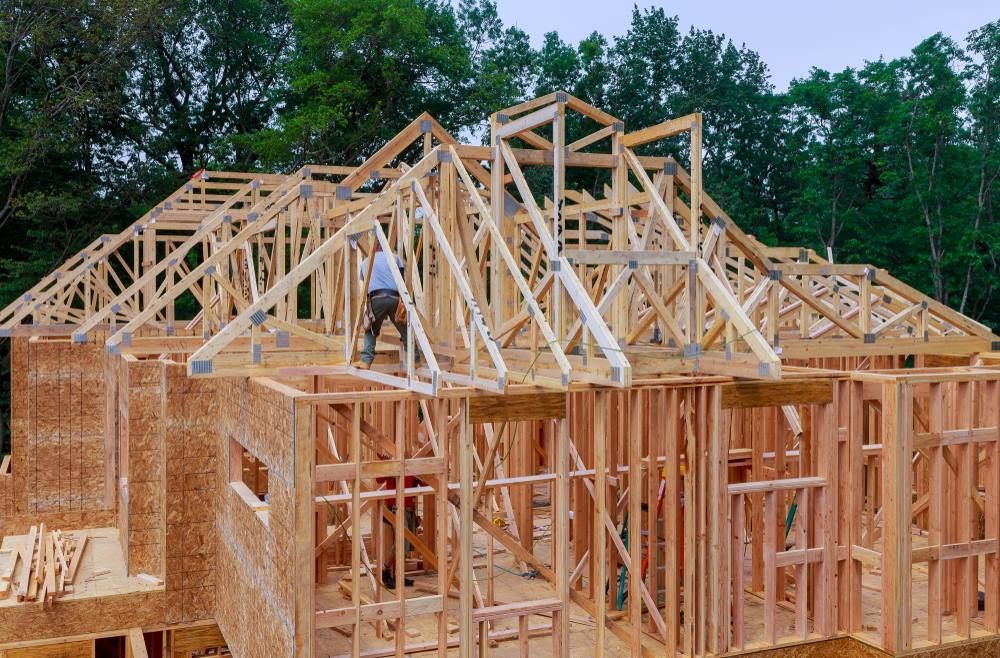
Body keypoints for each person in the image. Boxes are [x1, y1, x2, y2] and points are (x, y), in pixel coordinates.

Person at [358, 240, 406, 370]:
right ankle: (416, 359)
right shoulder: (395, 258)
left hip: (376, 298)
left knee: (371, 329)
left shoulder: (365, 262)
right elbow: (402, 279)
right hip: (394, 298)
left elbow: (364, 282)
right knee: (405, 328)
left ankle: (366, 361)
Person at [376, 474, 420, 589]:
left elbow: (424, 483)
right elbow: (378, 479)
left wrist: (422, 474)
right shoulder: (393, 459)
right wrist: (389, 466)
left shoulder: (413, 464)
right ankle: (385, 571)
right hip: (397, 508)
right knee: (401, 543)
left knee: (406, 546)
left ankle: (398, 575)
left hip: (410, 509)